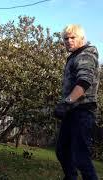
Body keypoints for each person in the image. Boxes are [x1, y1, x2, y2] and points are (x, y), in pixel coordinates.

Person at [54, 24, 100, 180]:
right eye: (66, 38)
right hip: (71, 111)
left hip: (82, 111)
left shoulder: (86, 54)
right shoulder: (75, 56)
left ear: (82, 38)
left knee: (81, 157)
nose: (68, 41)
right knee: (63, 151)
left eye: (72, 37)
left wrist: (66, 102)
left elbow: (84, 82)